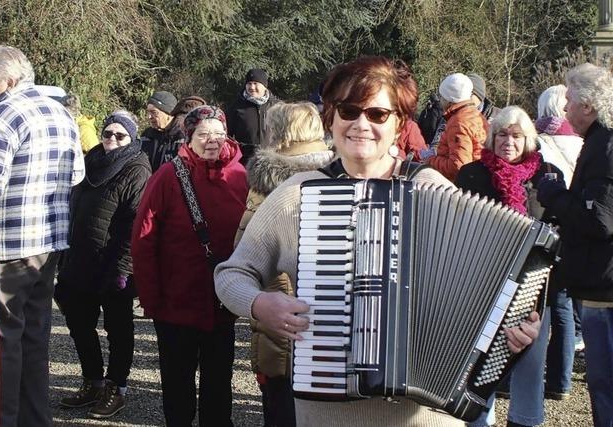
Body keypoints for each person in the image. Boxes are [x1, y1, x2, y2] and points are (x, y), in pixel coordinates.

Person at [215, 56, 541, 427]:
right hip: (328, 412)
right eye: (349, 110)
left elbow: (495, 294)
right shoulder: (296, 195)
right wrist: (259, 303)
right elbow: (231, 274)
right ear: (331, 118)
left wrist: (514, 330)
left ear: (400, 122)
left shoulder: (434, 192)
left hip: (428, 416)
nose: (361, 124)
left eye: (377, 114)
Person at [0, 44, 84, 427]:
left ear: (10, 80)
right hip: (48, 243)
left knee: (2, 344)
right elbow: (76, 176)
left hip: (6, 248)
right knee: (34, 340)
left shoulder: (0, 118)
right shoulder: (62, 113)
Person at [132, 105, 248, 426]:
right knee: (178, 382)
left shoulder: (240, 175)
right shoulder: (169, 175)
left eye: (218, 133)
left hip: (220, 301)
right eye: (203, 134)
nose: (212, 140)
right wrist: (151, 297)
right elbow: (144, 238)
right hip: (176, 301)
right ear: (189, 137)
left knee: (219, 383)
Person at [456, 106, 562, 427]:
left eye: (516, 136)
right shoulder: (473, 174)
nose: (508, 142)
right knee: (480, 362)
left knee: (530, 359)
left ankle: (525, 420)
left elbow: (558, 229)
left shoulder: (548, 176)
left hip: (534, 285)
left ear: (529, 139)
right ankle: (477, 418)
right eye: (502, 134)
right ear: (491, 137)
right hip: (483, 281)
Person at [235, 101, 334, 427]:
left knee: (281, 410)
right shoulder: (343, 177)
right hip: (333, 327)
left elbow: (245, 253)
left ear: (278, 134)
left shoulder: (266, 186)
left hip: (279, 321)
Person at [54, 111, 151, 419]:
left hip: (113, 266)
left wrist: (123, 268)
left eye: (119, 135)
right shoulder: (90, 162)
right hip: (80, 260)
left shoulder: (137, 169)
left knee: (118, 330)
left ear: (131, 139)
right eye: (107, 133)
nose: (111, 140)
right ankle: (92, 381)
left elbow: (135, 224)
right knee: (80, 325)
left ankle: (116, 387)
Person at [536, 62, 613, 427]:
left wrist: (554, 195)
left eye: (569, 102)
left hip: (604, 286)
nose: (564, 110)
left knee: (604, 382)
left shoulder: (605, 145)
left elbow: (600, 219)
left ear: (588, 105)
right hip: (599, 280)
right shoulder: (599, 141)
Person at [535, 84, 584, 402]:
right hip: (575, 228)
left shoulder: (540, 142)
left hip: (548, 225)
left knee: (539, 305)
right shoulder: (583, 141)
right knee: (565, 307)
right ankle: (561, 380)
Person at [425, 73, 488, 181]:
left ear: (449, 100)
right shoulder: (476, 116)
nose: (440, 100)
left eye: (441, 96)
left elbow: (458, 166)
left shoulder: (458, 122)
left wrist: (430, 160)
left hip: (462, 187)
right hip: (479, 180)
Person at [227, 68, 280, 165]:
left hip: (273, 161)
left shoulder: (277, 106)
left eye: (256, 83)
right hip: (245, 161)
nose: (252, 87)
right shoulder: (236, 107)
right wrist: (242, 149)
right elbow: (227, 135)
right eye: (249, 84)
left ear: (264, 86)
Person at [141, 90, 178, 172]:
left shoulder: (182, 139)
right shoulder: (146, 136)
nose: (149, 117)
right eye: (148, 112)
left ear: (169, 114)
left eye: (154, 112)